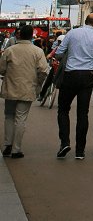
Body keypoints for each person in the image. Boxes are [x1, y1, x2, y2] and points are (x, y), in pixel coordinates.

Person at [55, 11, 93, 159]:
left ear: (85, 20)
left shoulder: (72, 33)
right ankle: (80, 151)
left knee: (63, 109)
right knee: (82, 113)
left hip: (71, 74)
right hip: (87, 76)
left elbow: (59, 52)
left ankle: (64, 142)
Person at [1, 24, 50, 159]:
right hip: (28, 87)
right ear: (31, 36)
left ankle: (7, 145)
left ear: (19, 35)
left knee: (9, 116)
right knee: (21, 118)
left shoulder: (9, 50)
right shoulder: (38, 51)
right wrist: (38, 82)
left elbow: (1, 69)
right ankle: (16, 149)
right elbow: (44, 71)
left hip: (10, 87)